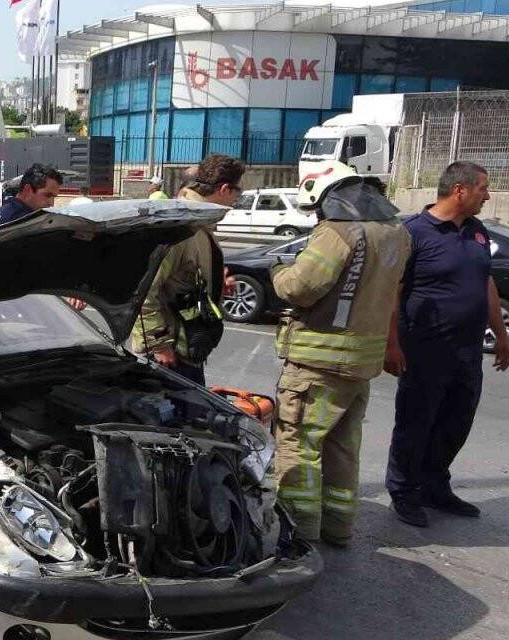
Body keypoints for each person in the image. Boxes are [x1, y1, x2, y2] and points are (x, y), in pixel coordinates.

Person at [271, 161, 410, 547]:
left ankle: (298, 532)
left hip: (318, 363)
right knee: (342, 446)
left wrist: (278, 271)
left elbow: (301, 287)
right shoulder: (396, 233)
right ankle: (338, 527)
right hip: (361, 365)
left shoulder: (337, 232)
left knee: (299, 444)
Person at [384, 161, 509, 528]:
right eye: (482, 189)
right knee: (415, 422)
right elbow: (392, 290)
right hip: (424, 348)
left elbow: (485, 282)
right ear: (460, 189)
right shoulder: (412, 232)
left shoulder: (476, 230)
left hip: (467, 350)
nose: (487, 196)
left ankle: (434, 487)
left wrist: (500, 336)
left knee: (456, 422)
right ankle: (404, 491)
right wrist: (391, 344)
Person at [131, 154, 244, 384]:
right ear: (224, 189)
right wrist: (158, 344)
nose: (237, 198)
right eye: (238, 191)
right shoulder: (181, 227)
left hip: (186, 349)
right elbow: (142, 290)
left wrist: (214, 282)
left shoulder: (198, 223)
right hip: (167, 357)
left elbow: (183, 276)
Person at [0, 163, 62, 227]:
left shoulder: (7, 209)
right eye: (47, 195)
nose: (51, 203)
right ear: (28, 189)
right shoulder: (20, 219)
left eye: (53, 197)